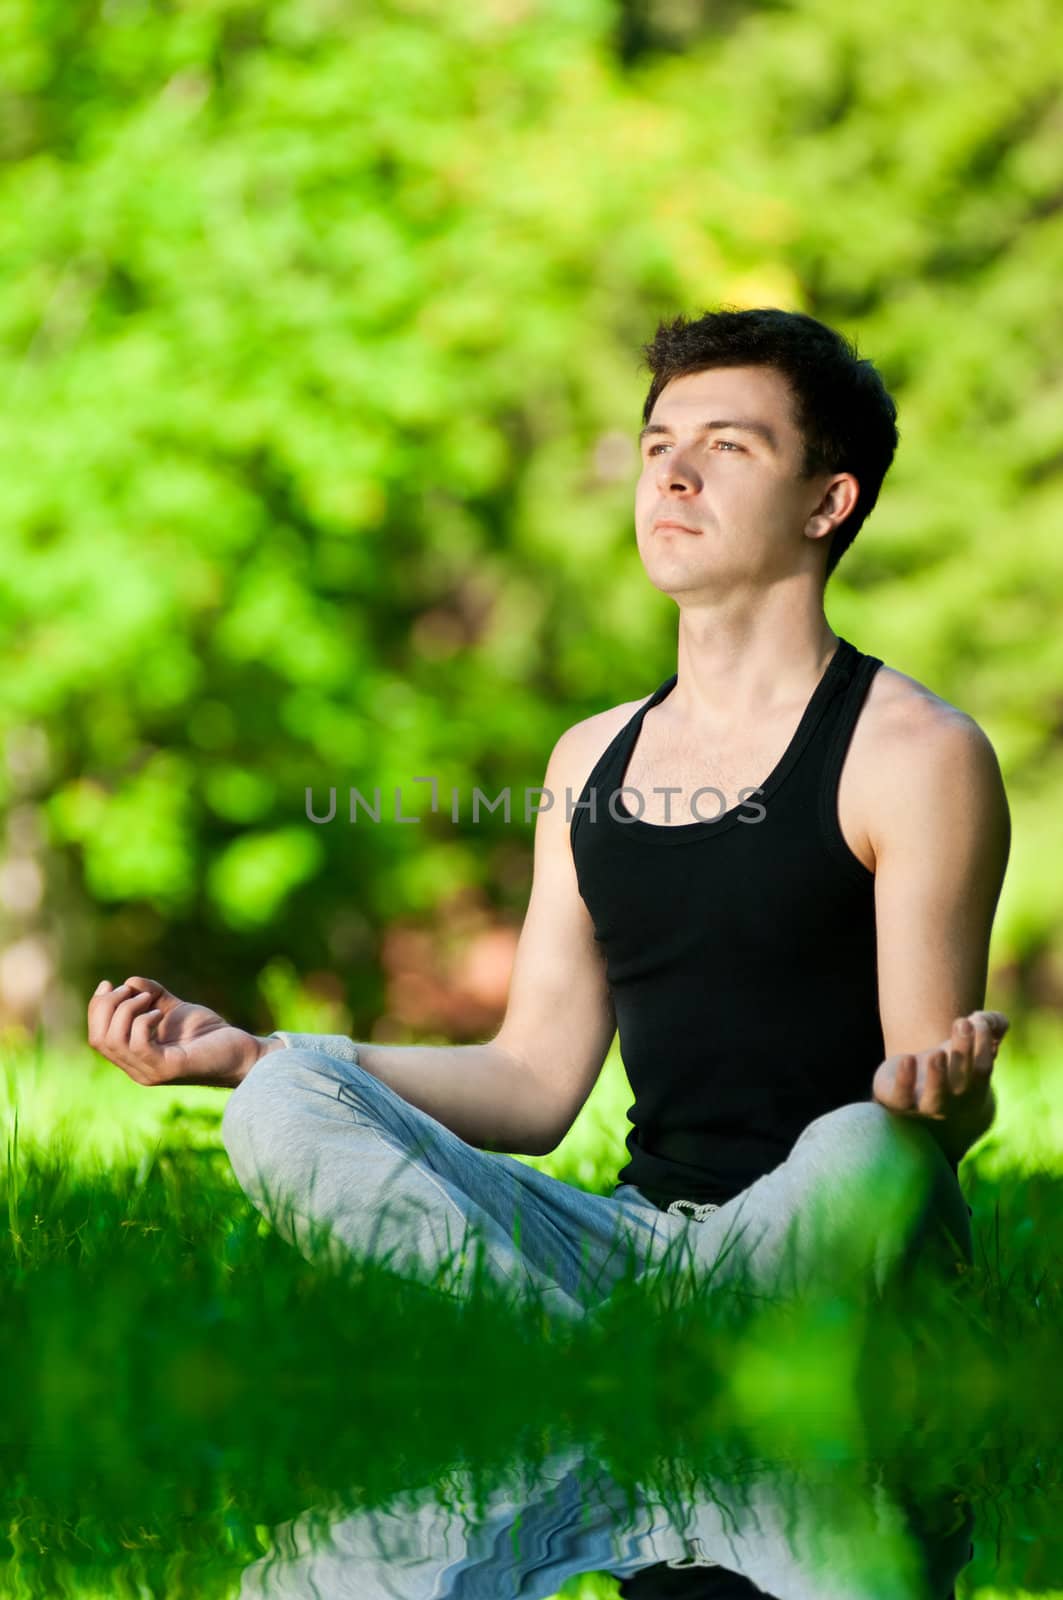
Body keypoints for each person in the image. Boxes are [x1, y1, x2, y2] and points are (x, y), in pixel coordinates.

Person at [87, 306, 1011, 1319]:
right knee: (284, 1101)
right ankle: (609, 1390)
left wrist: (949, 1097)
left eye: (727, 447)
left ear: (826, 502)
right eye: (658, 445)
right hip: (635, 1255)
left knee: (862, 1140)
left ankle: (608, 1422)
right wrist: (255, 1054)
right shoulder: (588, 758)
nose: (671, 475)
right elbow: (530, 1083)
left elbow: (925, 1118)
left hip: (823, 1246)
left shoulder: (917, 753)